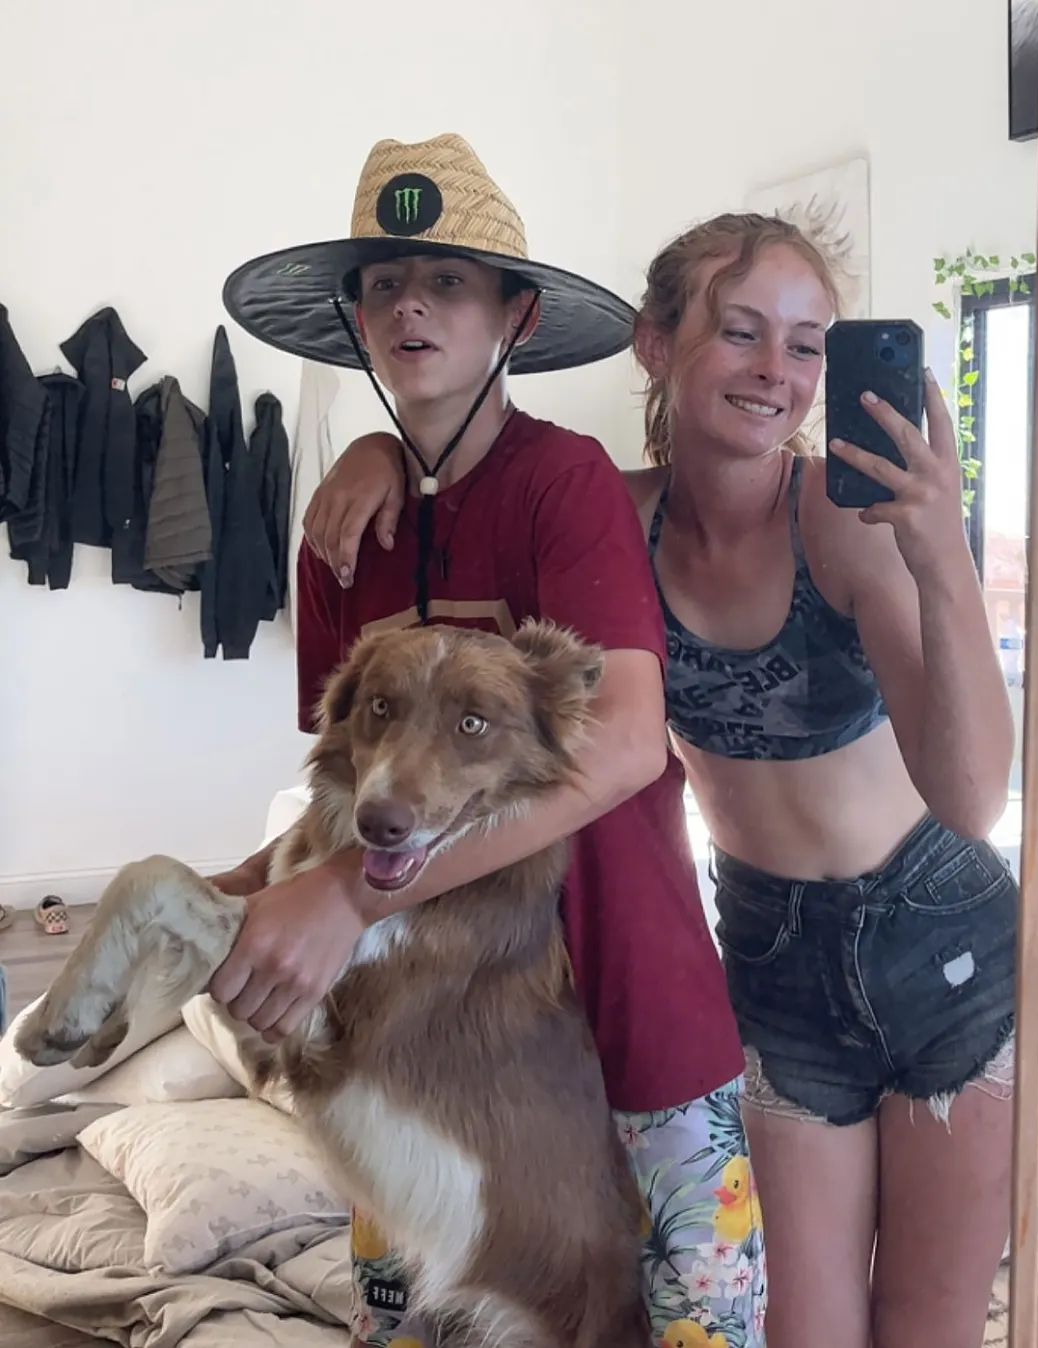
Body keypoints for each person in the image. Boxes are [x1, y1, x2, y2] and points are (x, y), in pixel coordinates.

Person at [311, 209, 1019, 1348]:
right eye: (740, 331)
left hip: (944, 945)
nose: (777, 369)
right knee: (804, 1329)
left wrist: (941, 555)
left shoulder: (842, 524)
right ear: (654, 343)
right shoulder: (612, 512)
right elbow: (487, 488)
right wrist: (383, 452)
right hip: (772, 956)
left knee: (929, 1323)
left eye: (806, 344)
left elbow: (974, 797)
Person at [206, 134, 765, 1348]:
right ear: (356, 317)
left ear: (516, 316)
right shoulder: (336, 536)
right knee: (411, 1317)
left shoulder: (564, 483)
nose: (411, 304)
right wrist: (239, 900)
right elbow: (343, 805)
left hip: (628, 989)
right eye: (385, 282)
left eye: (449, 281)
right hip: (423, 1051)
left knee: (696, 1317)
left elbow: (627, 744)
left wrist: (343, 898)